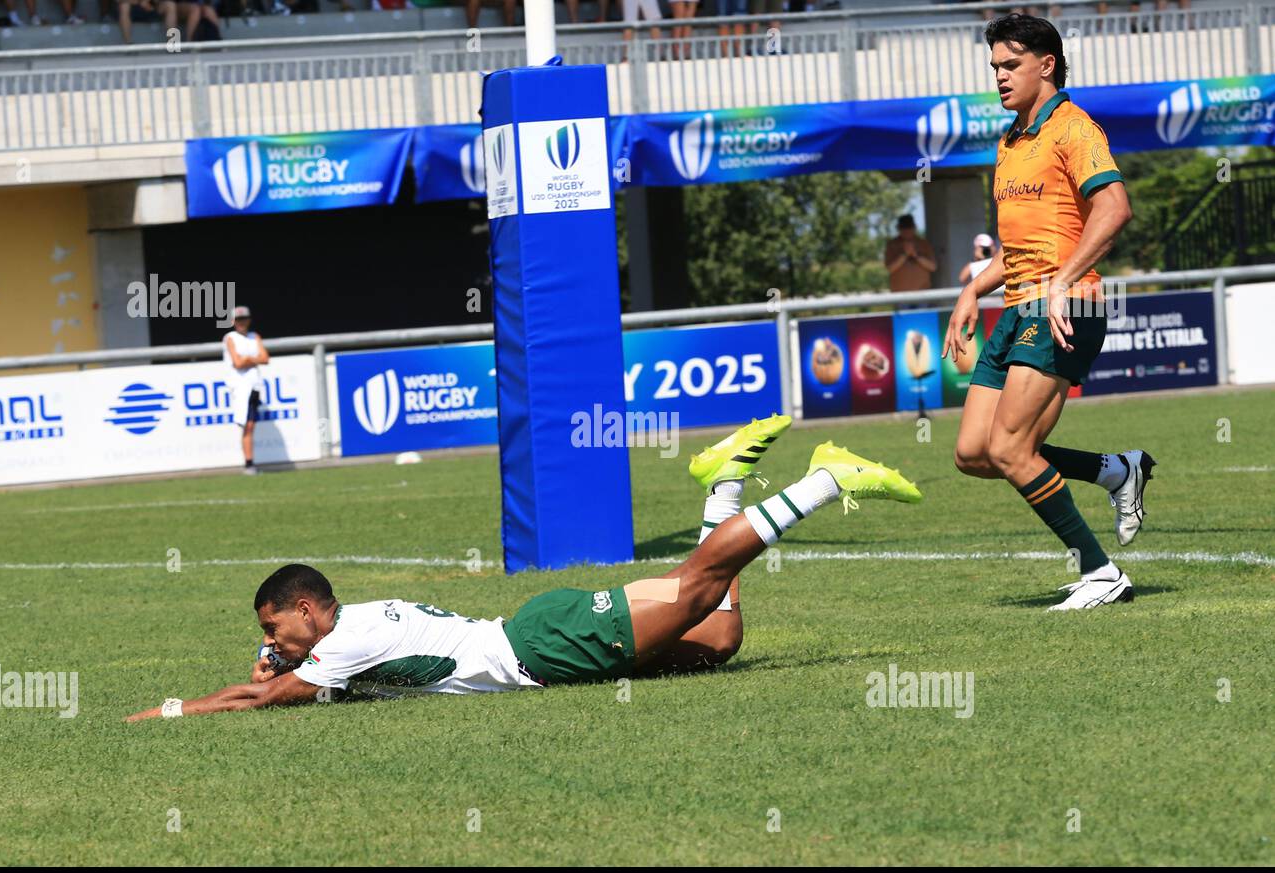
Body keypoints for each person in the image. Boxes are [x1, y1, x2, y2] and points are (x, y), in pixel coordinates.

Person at [124, 417, 923, 720]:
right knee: (717, 641)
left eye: (277, 628)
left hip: (547, 646)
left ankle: (827, 476)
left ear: (306, 607)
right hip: (541, 633)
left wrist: (170, 711)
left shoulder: (342, 645)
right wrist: (273, 664)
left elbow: (264, 698)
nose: (278, 641)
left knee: (698, 590)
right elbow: (281, 680)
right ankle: (723, 480)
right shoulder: (348, 630)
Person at [942, 14, 1154, 612]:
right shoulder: (1010, 140)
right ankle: (1116, 471)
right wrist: (970, 290)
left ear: (1047, 64)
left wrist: (1062, 282)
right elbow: (1019, 246)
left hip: (1068, 305)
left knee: (1011, 449)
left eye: (1010, 65)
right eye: (995, 68)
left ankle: (1102, 574)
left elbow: (1114, 208)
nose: (1000, 78)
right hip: (1017, 305)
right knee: (975, 454)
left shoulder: (1074, 128)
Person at [222, 305, 270, 476]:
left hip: (255, 385)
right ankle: (249, 464)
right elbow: (238, 363)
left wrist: (248, 358)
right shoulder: (230, 337)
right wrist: (253, 359)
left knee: (251, 425)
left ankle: (250, 464)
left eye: (244, 319)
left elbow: (265, 358)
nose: (241, 323)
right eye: (238, 320)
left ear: (249, 320)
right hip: (241, 387)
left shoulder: (254, 336)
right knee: (247, 425)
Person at [884, 213, 938, 293]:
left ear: (914, 228)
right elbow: (890, 269)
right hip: (900, 295)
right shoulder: (892, 244)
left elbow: (933, 267)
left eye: (909, 228)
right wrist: (904, 255)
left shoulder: (924, 243)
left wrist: (916, 255)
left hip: (923, 293)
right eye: (903, 228)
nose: (906, 231)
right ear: (899, 229)